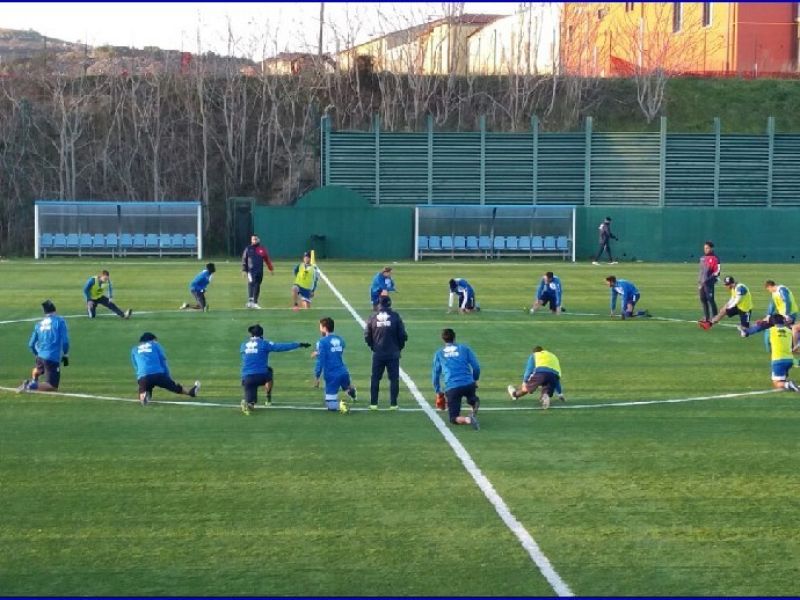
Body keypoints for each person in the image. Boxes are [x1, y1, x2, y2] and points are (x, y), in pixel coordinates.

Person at [239, 324, 311, 414]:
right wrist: (299, 344)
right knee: (269, 370)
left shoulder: (243, 346)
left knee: (251, 402)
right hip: (262, 376)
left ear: (251, 335)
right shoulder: (265, 344)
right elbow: (281, 347)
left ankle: (248, 404)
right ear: (262, 335)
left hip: (247, 379)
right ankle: (268, 396)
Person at [130, 332, 200, 406]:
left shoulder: (134, 350)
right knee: (174, 386)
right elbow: (163, 361)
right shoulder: (155, 345)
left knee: (144, 388)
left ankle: (144, 396)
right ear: (151, 340)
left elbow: (136, 366)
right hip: (158, 374)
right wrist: (167, 375)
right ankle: (190, 392)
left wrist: (140, 379)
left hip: (143, 376)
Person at [431, 328, 480, 430]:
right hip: (468, 383)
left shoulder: (439, 354)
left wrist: (438, 392)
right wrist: (475, 379)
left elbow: (436, 374)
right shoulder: (464, 349)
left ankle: (468, 420)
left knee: (453, 418)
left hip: (452, 387)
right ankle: (473, 405)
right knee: (473, 399)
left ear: (442, 339)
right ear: (454, 337)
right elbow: (476, 367)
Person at [364, 295, 407, 410]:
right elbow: (403, 335)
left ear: (379, 304)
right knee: (394, 379)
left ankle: (374, 403)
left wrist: (373, 347)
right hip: (393, 353)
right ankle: (393, 404)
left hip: (378, 353)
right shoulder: (395, 316)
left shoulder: (373, 317)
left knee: (375, 378)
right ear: (389, 303)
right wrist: (399, 347)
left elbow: (367, 335)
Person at [17, 300, 70, 392]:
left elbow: (31, 344)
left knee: (38, 369)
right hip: (51, 358)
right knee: (52, 386)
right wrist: (65, 354)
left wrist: (37, 354)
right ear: (55, 310)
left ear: (45, 313)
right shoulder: (59, 321)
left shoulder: (38, 324)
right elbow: (65, 342)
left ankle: (33, 381)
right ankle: (30, 386)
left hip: (41, 356)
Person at [313, 317, 357, 414]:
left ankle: (342, 405)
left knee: (330, 404)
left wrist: (317, 376)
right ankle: (352, 392)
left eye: (320, 326)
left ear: (324, 328)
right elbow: (339, 349)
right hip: (343, 371)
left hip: (332, 374)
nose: (319, 328)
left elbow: (320, 362)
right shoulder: (340, 339)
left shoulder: (322, 342)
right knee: (346, 387)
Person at [763, 315, 799, 392]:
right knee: (782, 377)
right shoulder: (789, 330)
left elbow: (767, 346)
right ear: (783, 321)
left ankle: (788, 384)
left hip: (778, 360)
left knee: (776, 383)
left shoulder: (769, 331)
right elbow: (793, 344)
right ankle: (785, 381)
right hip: (790, 359)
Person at [241, 234, 274, 309]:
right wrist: (244, 270)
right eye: (253, 239)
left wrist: (271, 269)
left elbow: (267, 259)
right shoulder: (248, 249)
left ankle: (255, 302)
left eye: (256, 239)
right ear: (251, 240)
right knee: (251, 283)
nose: (255, 240)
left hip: (259, 271)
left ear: (259, 240)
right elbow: (244, 260)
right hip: (251, 271)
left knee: (257, 285)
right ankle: (250, 301)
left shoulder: (262, 249)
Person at [698, 241, 721, 326]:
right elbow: (701, 271)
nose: (705, 250)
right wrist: (699, 282)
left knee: (710, 299)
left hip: (709, 283)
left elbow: (717, 271)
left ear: (711, 248)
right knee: (703, 299)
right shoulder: (702, 258)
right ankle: (706, 317)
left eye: (707, 248)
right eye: (704, 248)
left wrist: (710, 279)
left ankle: (715, 317)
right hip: (702, 283)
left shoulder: (715, 258)